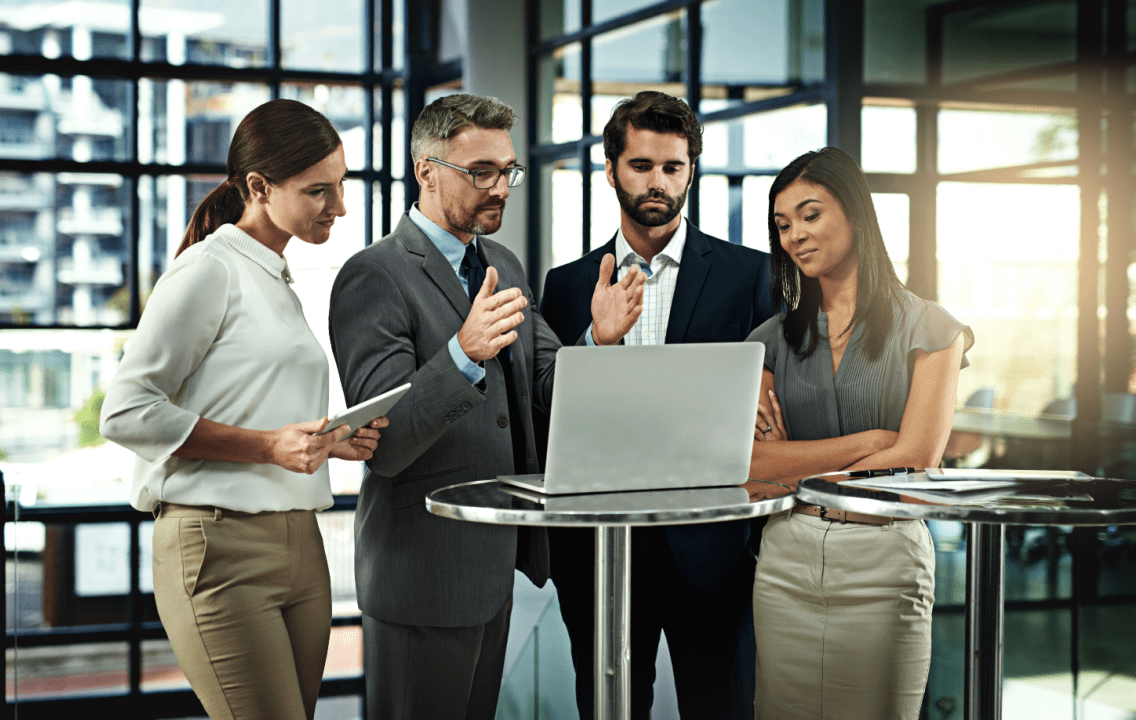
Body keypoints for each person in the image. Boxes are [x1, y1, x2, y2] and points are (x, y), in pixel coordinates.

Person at [327, 93, 645, 720]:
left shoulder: (503, 264)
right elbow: (384, 442)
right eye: (481, 173)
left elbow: (546, 382)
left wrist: (597, 340)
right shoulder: (374, 275)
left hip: (493, 569)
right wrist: (463, 354)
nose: (500, 187)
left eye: (507, 171)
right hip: (423, 574)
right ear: (427, 171)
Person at [99, 98, 385, 720]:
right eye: (318, 191)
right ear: (259, 186)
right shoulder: (209, 270)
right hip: (217, 547)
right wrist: (267, 447)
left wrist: (329, 439)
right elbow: (123, 410)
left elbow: (257, 403)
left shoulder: (276, 276)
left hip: (302, 545)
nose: (338, 207)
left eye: (340, 186)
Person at [540, 90, 773, 720]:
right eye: (641, 165)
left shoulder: (748, 275)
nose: (658, 182)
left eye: (673, 167)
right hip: (599, 552)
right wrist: (595, 343)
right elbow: (550, 413)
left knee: (720, 708)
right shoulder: (564, 288)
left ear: (691, 170)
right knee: (607, 709)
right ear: (611, 169)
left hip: (713, 549)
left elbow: (771, 408)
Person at [745, 147, 973, 720]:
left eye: (810, 214)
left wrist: (792, 463)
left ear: (855, 214)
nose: (795, 234)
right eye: (782, 224)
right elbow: (747, 463)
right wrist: (871, 444)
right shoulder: (769, 339)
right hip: (786, 560)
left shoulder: (933, 328)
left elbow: (917, 458)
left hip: (884, 561)